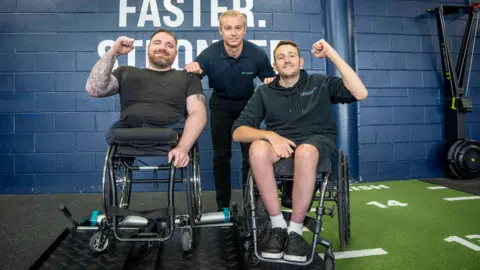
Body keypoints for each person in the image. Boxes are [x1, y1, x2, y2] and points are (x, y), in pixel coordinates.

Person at [231, 39, 368, 262]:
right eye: (281, 57)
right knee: (257, 148)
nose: (287, 60)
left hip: (317, 141)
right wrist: (270, 135)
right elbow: (238, 132)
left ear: (301, 61)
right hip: (282, 144)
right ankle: (277, 226)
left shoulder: (319, 82)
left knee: (305, 152)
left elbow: (360, 93)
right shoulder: (264, 91)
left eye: (292, 55)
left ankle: (295, 230)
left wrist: (331, 54)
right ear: (275, 65)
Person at [184, 10, 276, 211]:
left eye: (237, 28)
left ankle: (250, 202)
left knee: (250, 156)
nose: (233, 33)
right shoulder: (209, 54)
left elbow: (270, 82)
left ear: (244, 30)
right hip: (220, 105)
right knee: (221, 156)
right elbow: (191, 80)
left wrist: (271, 83)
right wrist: (192, 70)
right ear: (220, 31)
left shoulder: (257, 54)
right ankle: (222, 206)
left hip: (248, 107)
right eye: (228, 28)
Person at [85, 29, 207, 168]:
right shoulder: (126, 72)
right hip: (130, 129)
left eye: (169, 45)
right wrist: (114, 52)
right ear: (148, 48)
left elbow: (198, 114)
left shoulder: (188, 77)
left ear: (176, 53)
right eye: (157, 43)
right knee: (113, 133)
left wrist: (183, 148)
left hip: (171, 130)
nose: (162, 47)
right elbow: (94, 88)